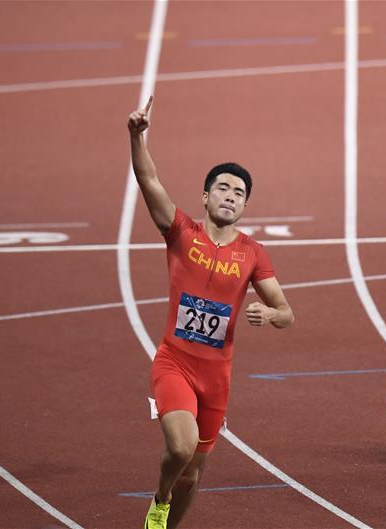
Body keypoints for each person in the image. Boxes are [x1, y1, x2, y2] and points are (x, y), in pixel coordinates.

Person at [128, 96, 294, 529]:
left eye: (239, 193)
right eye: (222, 187)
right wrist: (136, 136)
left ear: (245, 207)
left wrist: (271, 315)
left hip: (217, 377)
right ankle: (158, 499)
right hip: (175, 363)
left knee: (195, 475)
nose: (230, 196)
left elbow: (287, 312)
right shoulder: (182, 232)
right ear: (205, 196)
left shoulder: (253, 253)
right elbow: (149, 180)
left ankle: (170, 516)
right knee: (180, 451)